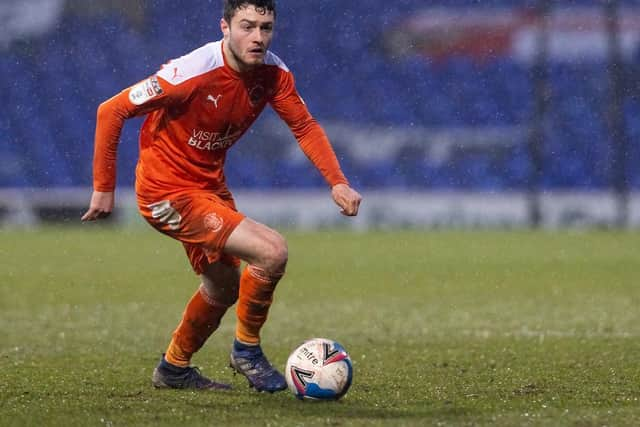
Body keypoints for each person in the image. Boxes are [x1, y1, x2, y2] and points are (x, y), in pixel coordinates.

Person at [81, 0, 362, 393]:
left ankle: (173, 368)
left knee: (224, 286)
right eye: (247, 26)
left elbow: (304, 125)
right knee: (272, 251)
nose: (258, 37)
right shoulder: (189, 73)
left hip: (208, 188)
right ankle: (246, 350)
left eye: (266, 28)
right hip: (168, 191)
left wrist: (337, 181)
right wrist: (103, 188)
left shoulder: (274, 74)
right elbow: (110, 110)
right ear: (224, 28)